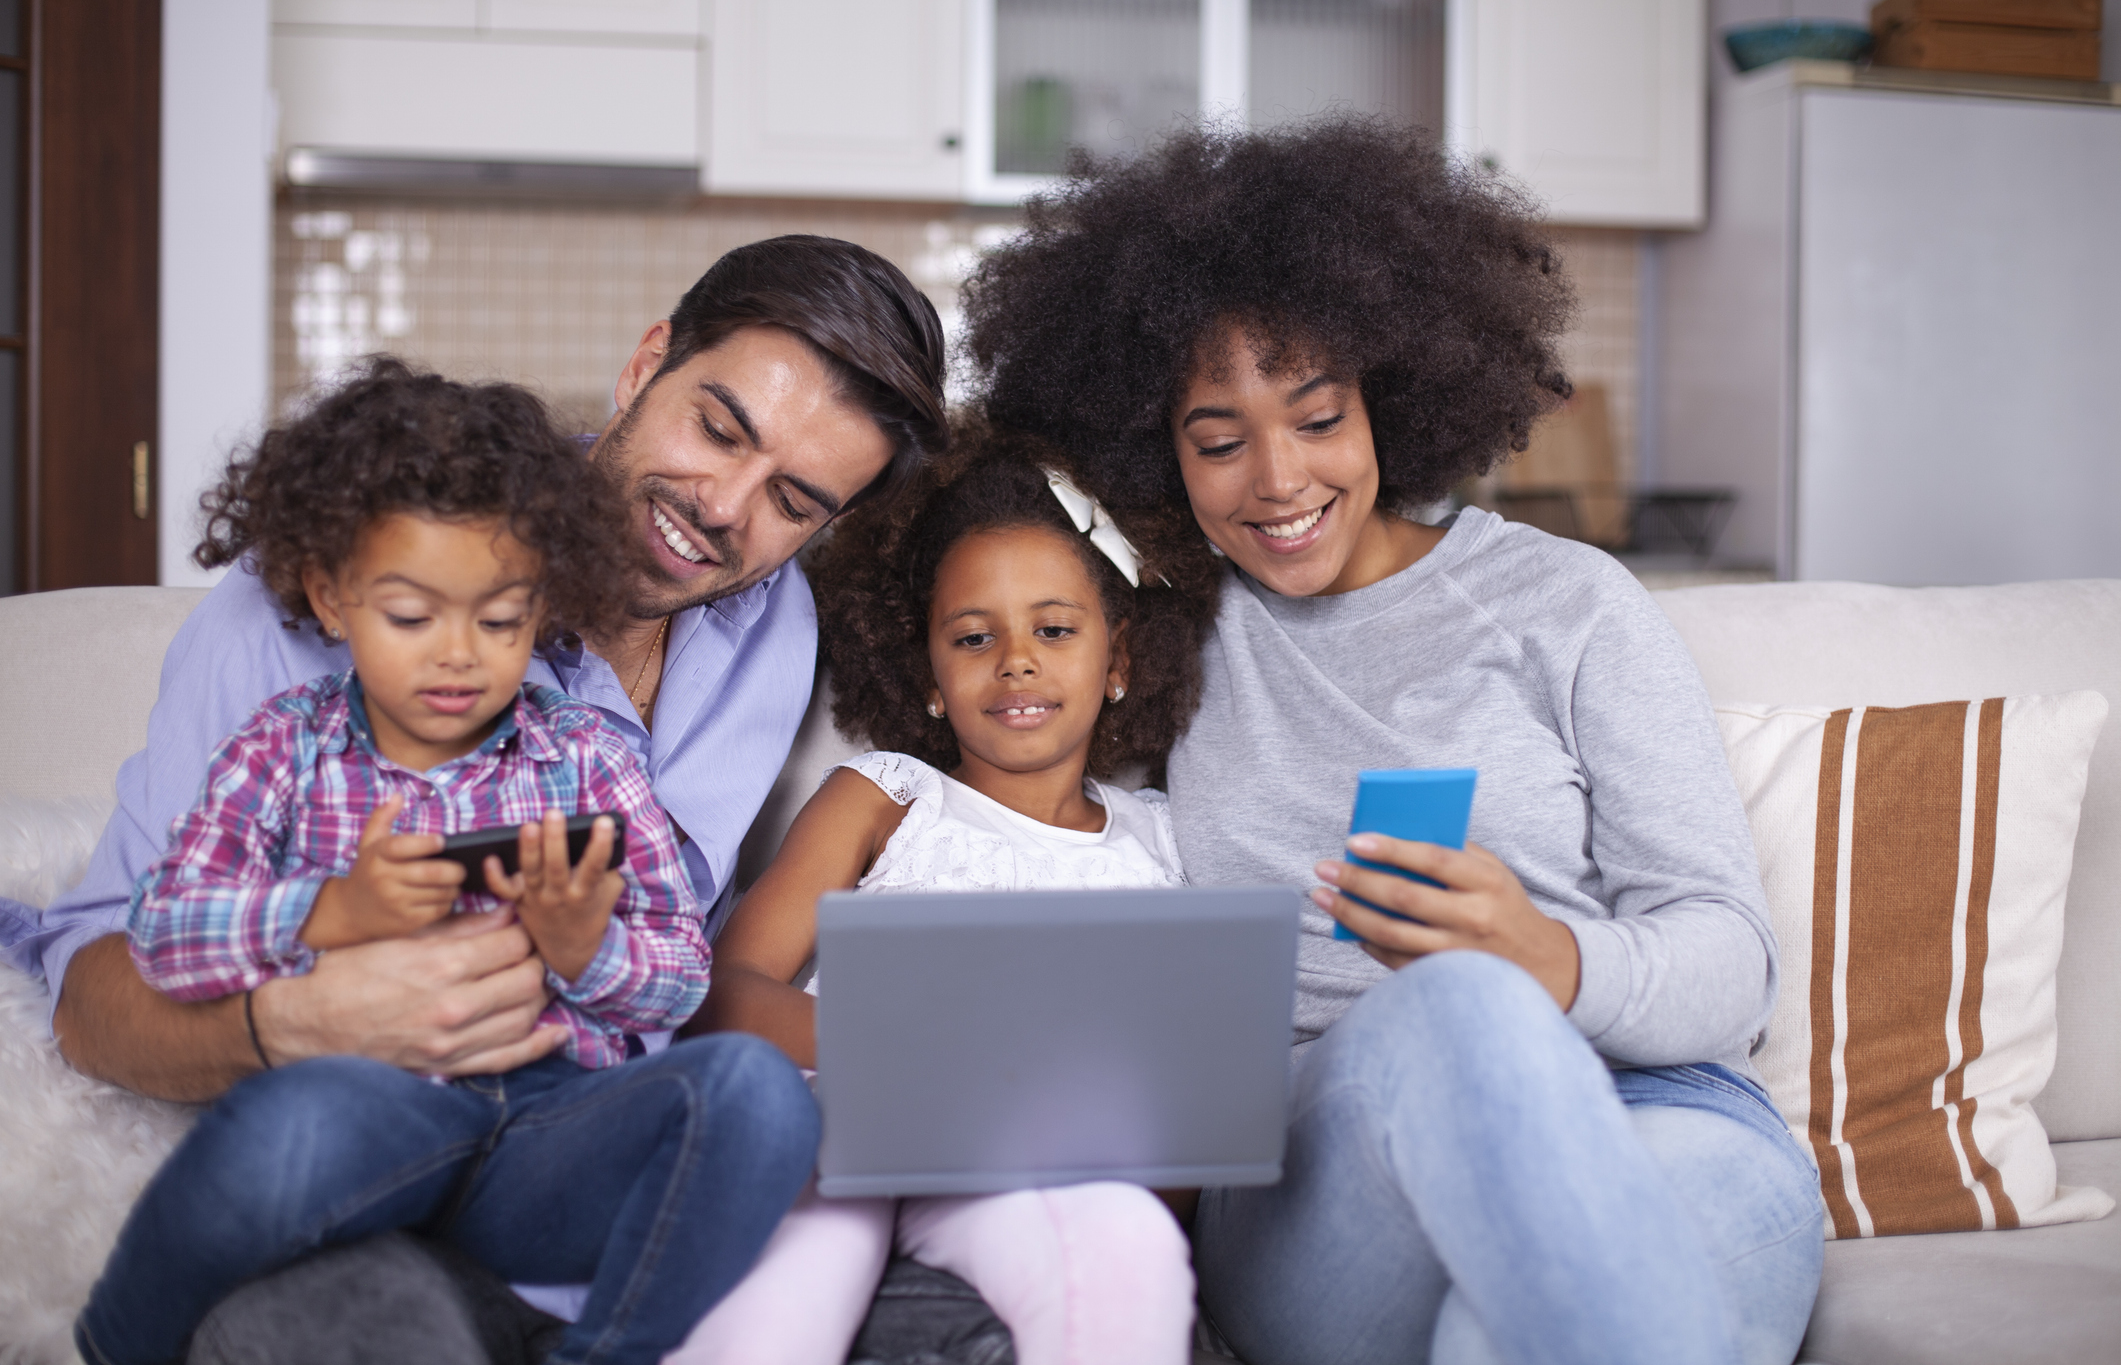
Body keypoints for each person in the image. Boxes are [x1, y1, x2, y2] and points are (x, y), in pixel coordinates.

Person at [960, 119, 1826, 1365]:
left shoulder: (1570, 605)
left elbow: (1731, 963)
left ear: (1394, 397)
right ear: (1156, 450)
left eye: (1318, 418)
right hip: (1322, 1177)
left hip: (1658, 1114)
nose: (1276, 479)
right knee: (1460, 1010)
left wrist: (1552, 959)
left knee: (1513, 1322)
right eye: (1218, 440)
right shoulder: (1156, 637)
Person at [31, 236, 948, 1350]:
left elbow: (672, 969)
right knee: (373, 1279)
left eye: (795, 500)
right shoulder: (309, 609)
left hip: (566, 1141)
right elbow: (98, 991)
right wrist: (301, 1001)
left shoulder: (763, 632)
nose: (726, 508)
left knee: (784, 1126)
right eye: (718, 427)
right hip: (348, 1126)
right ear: (645, 363)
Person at [78, 366, 805, 1365]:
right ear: (333, 598)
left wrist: (585, 948)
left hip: (547, 1129)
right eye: (414, 617)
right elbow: (161, 929)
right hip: (374, 1110)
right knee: (287, 1126)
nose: (458, 656)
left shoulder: (587, 756)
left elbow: (678, 973)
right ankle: (118, 1344)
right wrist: (328, 910)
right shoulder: (282, 750)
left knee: (759, 1092)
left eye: (502, 621)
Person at [674, 439, 1222, 1365]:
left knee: (1127, 1250)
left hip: (1031, 1171)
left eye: (1054, 630)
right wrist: (899, 1051)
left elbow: (1179, 1107)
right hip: (834, 1126)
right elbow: (721, 997)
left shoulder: (1164, 842)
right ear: (929, 679)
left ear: (1117, 659)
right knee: (790, 1274)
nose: (1014, 663)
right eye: (973, 637)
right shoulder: (885, 796)